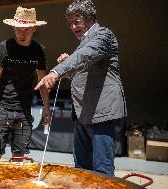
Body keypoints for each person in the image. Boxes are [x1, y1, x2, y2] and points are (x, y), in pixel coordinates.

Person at [35, 0, 127, 176]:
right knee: (82, 168)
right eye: (70, 23)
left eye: (77, 21)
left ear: (91, 18)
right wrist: (68, 63)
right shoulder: (83, 42)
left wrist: (57, 71)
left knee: (102, 171)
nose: (73, 27)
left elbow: (85, 56)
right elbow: (83, 68)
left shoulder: (103, 35)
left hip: (102, 113)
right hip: (83, 114)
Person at [0, 6, 50, 161]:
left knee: (19, 157)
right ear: (14, 27)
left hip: (24, 109)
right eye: (19, 30)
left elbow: (43, 82)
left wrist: (46, 107)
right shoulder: (3, 48)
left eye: (27, 30)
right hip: (1, 108)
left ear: (33, 28)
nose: (22, 34)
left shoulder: (38, 50)